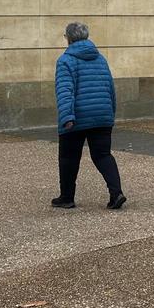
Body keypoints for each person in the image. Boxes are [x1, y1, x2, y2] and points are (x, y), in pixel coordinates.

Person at [53, 22, 126, 210]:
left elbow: (65, 91)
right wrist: (110, 114)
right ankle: (116, 192)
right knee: (103, 155)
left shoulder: (65, 61)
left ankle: (67, 197)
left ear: (68, 38)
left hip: (77, 117)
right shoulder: (100, 59)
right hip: (102, 116)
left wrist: (66, 117)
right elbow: (110, 88)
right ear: (86, 36)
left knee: (69, 157)